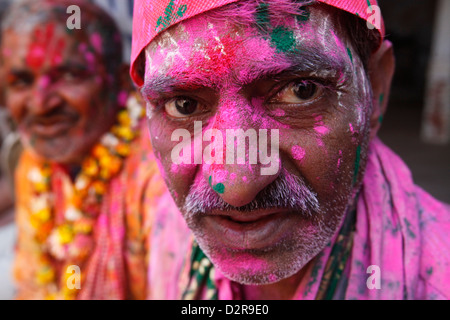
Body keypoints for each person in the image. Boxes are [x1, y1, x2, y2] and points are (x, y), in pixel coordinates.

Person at [129, 0, 450, 299]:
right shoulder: (167, 231)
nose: (238, 188)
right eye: (183, 106)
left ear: (375, 89)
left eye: (301, 90)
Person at [1, 0, 162, 299]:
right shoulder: (34, 163)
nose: (40, 104)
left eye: (70, 76)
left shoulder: (159, 178)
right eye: (21, 81)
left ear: (120, 81)